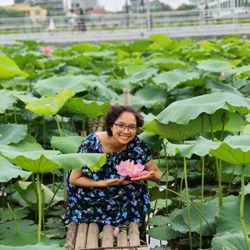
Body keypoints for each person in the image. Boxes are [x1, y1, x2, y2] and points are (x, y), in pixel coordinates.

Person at [63, 105, 162, 228]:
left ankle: (128, 223)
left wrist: (149, 175)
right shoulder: (91, 144)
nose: (126, 131)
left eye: (132, 127)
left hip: (122, 197)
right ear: (111, 125)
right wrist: (103, 183)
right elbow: (74, 179)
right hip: (92, 194)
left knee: (135, 189)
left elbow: (158, 175)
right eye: (121, 125)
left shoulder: (137, 145)